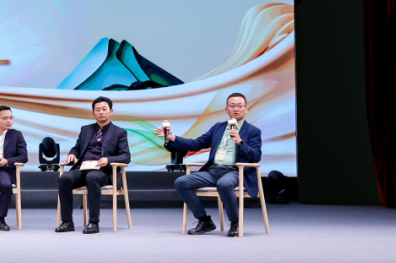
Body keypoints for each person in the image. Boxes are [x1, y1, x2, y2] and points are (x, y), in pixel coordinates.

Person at [154, 93, 262, 238]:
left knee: (224, 184)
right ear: (226, 109)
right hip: (213, 170)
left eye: (239, 106)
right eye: (232, 106)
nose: (236, 109)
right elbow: (196, 144)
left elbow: (256, 156)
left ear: (246, 109)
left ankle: (235, 223)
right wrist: (173, 138)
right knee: (181, 182)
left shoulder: (253, 131)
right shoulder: (218, 127)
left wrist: (240, 142)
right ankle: (204, 220)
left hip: (235, 171)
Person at [56, 96, 131, 235]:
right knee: (64, 178)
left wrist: (108, 159)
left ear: (111, 111)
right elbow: (77, 148)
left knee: (92, 177)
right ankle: (67, 221)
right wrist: (72, 154)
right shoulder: (85, 129)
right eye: (98, 110)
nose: (101, 112)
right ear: (93, 113)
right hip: (83, 168)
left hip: (104, 171)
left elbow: (126, 156)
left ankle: (93, 222)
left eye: (104, 109)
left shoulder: (119, 132)